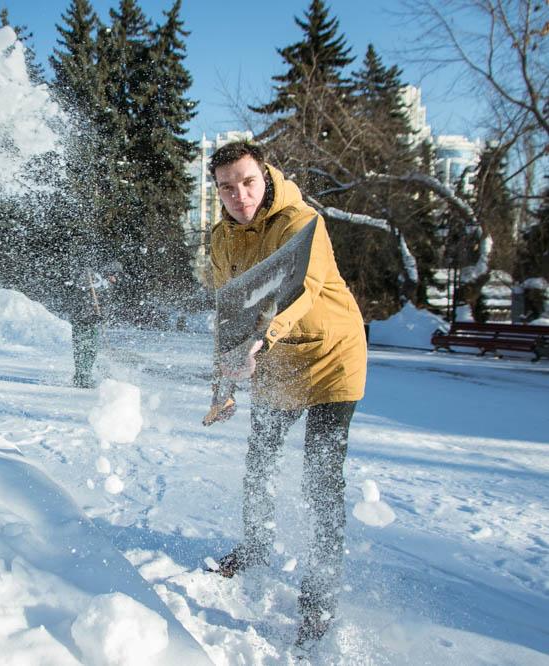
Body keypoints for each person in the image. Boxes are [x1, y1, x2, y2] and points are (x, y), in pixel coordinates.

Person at [202, 141, 367, 647]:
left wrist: (258, 343)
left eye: (247, 181)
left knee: (321, 476)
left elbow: (300, 293)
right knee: (261, 462)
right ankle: (254, 547)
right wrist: (222, 384)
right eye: (227, 186)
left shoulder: (301, 222)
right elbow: (229, 309)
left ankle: (320, 598)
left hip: (330, 358)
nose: (239, 194)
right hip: (274, 361)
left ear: (266, 177)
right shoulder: (220, 238)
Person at [67, 259, 121, 388]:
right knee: (82, 350)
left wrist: (102, 317)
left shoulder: (106, 285)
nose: (116, 279)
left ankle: (86, 375)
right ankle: (81, 378)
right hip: (82, 321)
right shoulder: (93, 279)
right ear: (109, 272)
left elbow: (105, 304)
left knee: (92, 350)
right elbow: (82, 295)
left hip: (92, 322)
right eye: (115, 275)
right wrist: (92, 313)